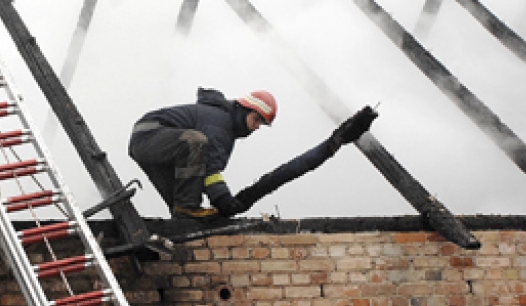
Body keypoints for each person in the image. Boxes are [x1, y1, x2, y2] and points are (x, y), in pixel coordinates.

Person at [128, 87, 377, 220]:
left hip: (156, 145)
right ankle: (186, 207)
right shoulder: (220, 123)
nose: (256, 127)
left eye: (261, 123)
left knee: (183, 213)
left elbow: (204, 172)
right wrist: (224, 201)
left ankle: (182, 214)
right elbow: (210, 169)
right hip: (149, 136)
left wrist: (221, 204)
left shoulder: (225, 129)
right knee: (196, 143)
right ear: (243, 108)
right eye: (255, 119)